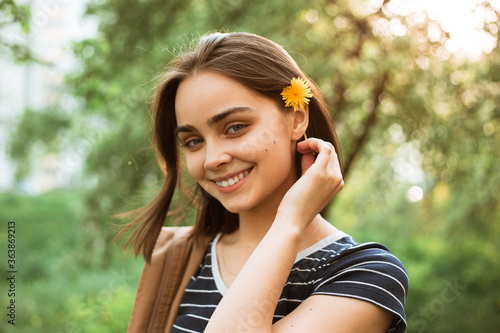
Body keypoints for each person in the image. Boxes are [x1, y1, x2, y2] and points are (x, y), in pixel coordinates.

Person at [120, 32, 408, 333]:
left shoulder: (364, 275)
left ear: (296, 118)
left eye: (235, 127)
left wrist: (291, 219)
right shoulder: (178, 260)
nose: (212, 159)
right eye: (193, 141)